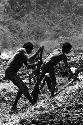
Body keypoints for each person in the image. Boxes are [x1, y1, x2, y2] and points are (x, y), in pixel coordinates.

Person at [5, 42, 44, 111]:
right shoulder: (22, 50)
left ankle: (14, 107)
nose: (31, 51)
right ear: (28, 48)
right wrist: (38, 51)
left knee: (21, 89)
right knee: (24, 88)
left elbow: (28, 66)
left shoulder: (23, 55)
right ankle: (33, 104)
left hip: (12, 72)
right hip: (10, 72)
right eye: (31, 50)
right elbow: (30, 59)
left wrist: (36, 64)